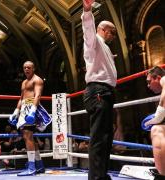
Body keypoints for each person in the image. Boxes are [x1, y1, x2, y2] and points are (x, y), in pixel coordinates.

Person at [81, 0, 117, 179]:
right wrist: (87, 11)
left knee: (106, 138)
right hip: (98, 92)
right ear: (103, 30)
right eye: (112, 32)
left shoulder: (104, 47)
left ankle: (101, 174)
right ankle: (96, 178)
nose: (114, 36)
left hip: (105, 92)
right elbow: (88, 29)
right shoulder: (94, 40)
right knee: (99, 138)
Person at [9, 60, 51, 176]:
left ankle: (32, 167)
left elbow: (37, 95)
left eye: (29, 67)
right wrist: (16, 112)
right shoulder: (23, 82)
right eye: (25, 68)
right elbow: (21, 98)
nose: (26, 69)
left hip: (32, 107)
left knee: (27, 136)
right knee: (29, 137)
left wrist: (32, 111)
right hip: (24, 108)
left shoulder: (37, 80)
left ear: (33, 69)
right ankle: (39, 165)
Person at [143, 66, 165, 179]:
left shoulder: (164, 80)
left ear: (158, 78)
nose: (148, 86)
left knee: (156, 130)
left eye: (149, 81)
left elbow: (163, 103)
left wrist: (153, 120)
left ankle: (161, 176)